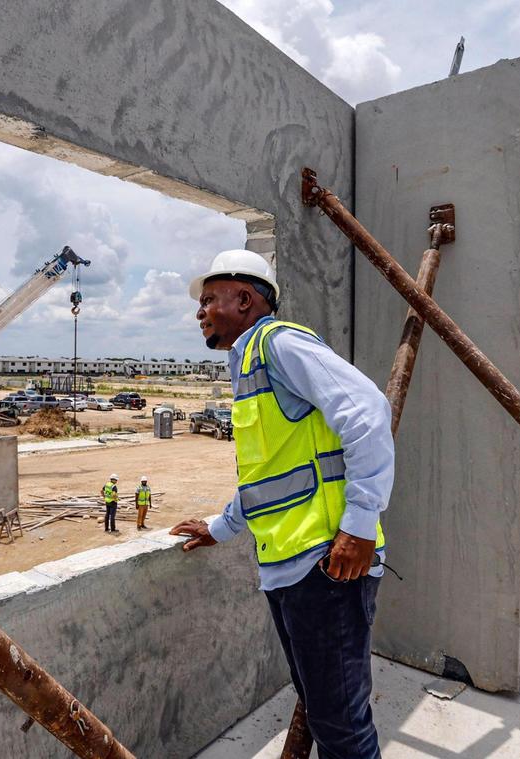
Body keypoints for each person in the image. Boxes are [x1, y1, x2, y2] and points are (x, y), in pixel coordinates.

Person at [171, 249, 393, 759]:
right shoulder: (248, 363)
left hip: (326, 566)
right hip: (292, 570)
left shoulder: (279, 344)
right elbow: (267, 473)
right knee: (327, 713)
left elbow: (368, 414)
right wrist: (220, 527)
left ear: (245, 299)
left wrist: (359, 527)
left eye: (208, 300)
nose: (199, 311)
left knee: (342, 726)